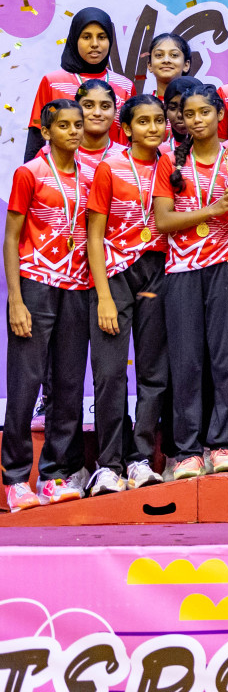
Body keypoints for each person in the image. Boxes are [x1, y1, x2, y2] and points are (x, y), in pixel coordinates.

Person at [152, 84, 228, 479]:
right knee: (186, 363)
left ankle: (222, 444)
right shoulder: (169, 163)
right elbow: (163, 221)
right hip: (182, 272)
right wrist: (214, 209)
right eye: (189, 114)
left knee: (227, 362)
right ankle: (188, 451)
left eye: (204, 112)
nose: (196, 120)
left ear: (220, 115)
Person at [3, 101, 92, 510]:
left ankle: (55, 474)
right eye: (64, 126)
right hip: (36, 286)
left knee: (70, 385)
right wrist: (16, 300)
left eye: (78, 125)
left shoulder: (91, 176)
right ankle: (17, 478)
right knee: (26, 384)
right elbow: (11, 237)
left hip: (76, 288)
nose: (73, 131)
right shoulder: (30, 173)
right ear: (46, 131)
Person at [84, 94, 168, 494]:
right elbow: (94, 236)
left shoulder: (171, 164)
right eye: (143, 122)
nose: (152, 128)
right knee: (110, 373)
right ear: (127, 127)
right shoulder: (110, 167)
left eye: (158, 120)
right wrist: (102, 296)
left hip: (157, 273)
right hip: (114, 275)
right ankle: (108, 464)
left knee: (153, 373)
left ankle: (139, 460)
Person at [25, 7, 134, 160]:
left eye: (102, 37)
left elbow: (132, 138)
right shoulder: (52, 82)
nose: (95, 44)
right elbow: (37, 135)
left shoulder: (125, 87)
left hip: (114, 171)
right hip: (63, 174)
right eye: (86, 37)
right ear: (75, 38)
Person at [66, 78, 123, 176]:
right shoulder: (55, 154)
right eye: (88, 106)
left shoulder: (126, 156)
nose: (97, 113)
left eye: (105, 106)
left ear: (115, 112)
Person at [145, 32, 193, 100]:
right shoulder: (143, 106)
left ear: (186, 65)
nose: (166, 60)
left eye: (174, 55)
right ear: (150, 65)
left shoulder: (195, 104)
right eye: (159, 55)